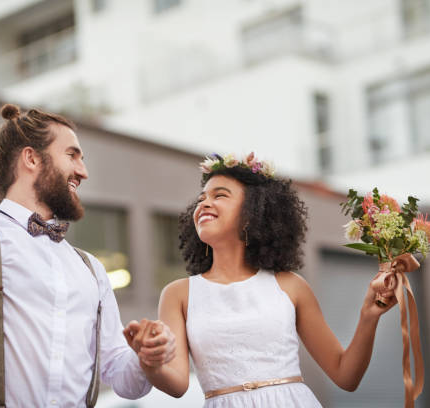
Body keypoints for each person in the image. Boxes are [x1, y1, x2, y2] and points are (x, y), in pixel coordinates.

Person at [0, 31, 175, 407]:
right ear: (31, 159)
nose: (83, 171)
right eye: (73, 155)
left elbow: (122, 379)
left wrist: (145, 358)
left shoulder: (90, 271)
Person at [124, 152, 398, 407]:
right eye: (201, 198)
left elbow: (345, 376)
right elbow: (177, 385)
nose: (204, 203)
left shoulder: (290, 285)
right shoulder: (178, 294)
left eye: (220, 195)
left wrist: (368, 315)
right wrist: (150, 362)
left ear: (251, 215)